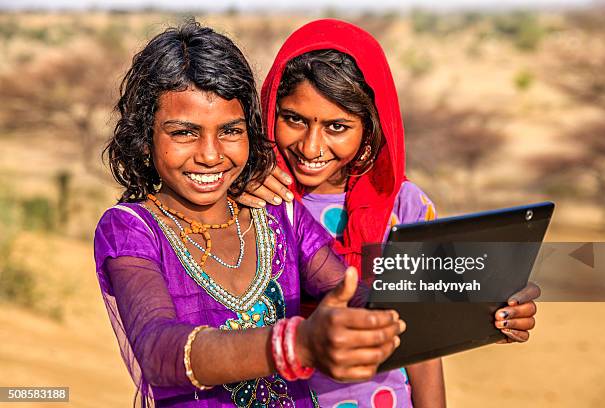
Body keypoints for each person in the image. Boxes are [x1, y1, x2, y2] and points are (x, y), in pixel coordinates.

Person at [95, 21, 406, 407]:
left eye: (230, 131)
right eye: (184, 133)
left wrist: (484, 312)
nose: (210, 155)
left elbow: (356, 297)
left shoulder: (277, 212)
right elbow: (158, 350)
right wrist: (295, 344)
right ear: (145, 137)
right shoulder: (131, 229)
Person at [238, 19, 539, 407]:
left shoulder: (405, 206)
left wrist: (494, 309)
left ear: (369, 128)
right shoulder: (253, 196)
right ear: (270, 110)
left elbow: (424, 341)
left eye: (337, 126)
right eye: (294, 119)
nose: (311, 146)